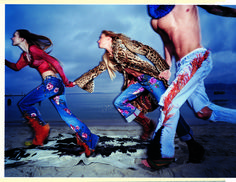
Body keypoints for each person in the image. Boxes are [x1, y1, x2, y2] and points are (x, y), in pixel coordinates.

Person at [74, 30, 205, 163]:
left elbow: (148, 51)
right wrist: (77, 81)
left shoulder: (125, 44)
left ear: (109, 38)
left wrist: (164, 68)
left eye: (100, 37)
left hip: (151, 79)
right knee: (120, 102)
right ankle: (147, 123)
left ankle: (192, 144)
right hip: (139, 83)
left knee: (169, 110)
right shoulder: (108, 58)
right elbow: (96, 70)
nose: (98, 41)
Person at [142, 5, 236, 170]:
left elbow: (213, 8)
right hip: (181, 66)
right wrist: (167, 67)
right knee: (204, 112)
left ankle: (163, 154)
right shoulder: (155, 20)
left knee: (168, 101)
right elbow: (168, 43)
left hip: (197, 58)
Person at [5, 29, 99, 157]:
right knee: (67, 116)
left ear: (22, 39)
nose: (11, 38)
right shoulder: (25, 56)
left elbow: (54, 62)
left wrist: (66, 81)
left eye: (14, 35)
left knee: (24, 104)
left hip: (52, 84)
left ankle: (42, 130)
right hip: (55, 85)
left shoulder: (33, 49)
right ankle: (89, 141)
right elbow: (16, 67)